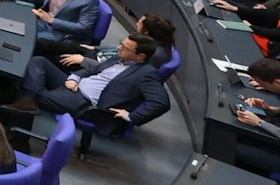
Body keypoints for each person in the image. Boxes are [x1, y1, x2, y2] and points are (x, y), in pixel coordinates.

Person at [13, 32, 169, 136]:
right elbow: (93, 69)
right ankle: (28, 100)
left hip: (84, 103)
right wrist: (75, 77)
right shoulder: (120, 57)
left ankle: (20, 137)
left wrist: (131, 116)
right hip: (75, 85)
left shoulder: (147, 74)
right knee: (39, 61)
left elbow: (161, 103)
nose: (119, 48)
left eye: (125, 47)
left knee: (25, 91)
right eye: (122, 43)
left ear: (141, 56)